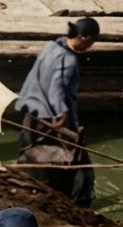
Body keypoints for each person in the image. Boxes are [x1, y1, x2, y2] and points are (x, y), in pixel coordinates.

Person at [16, 17, 99, 207]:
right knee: (76, 164)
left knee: (34, 156)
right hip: (52, 117)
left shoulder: (51, 46)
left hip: (32, 113)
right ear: (84, 37)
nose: (91, 46)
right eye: (92, 41)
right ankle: (77, 204)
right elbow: (56, 88)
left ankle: (35, 194)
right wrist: (61, 113)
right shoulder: (68, 59)